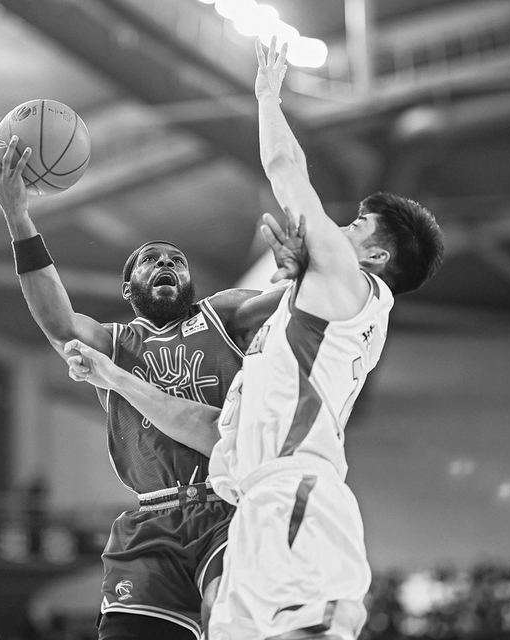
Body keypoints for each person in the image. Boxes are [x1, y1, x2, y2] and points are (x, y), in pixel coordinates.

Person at [63, 37, 446, 640]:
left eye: (355, 225)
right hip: (254, 507)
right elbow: (204, 426)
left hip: (296, 497)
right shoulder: (306, 320)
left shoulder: (354, 283)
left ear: (376, 255)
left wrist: (267, 97)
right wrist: (113, 377)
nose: (339, 228)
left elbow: (286, 169)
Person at [0, 128, 307, 640]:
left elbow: (293, 303)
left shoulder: (223, 313)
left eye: (176, 261)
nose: (166, 264)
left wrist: (301, 273)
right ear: (128, 288)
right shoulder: (113, 343)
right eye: (152, 260)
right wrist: (18, 216)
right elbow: (59, 324)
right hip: (151, 522)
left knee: (229, 615)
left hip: (229, 504)